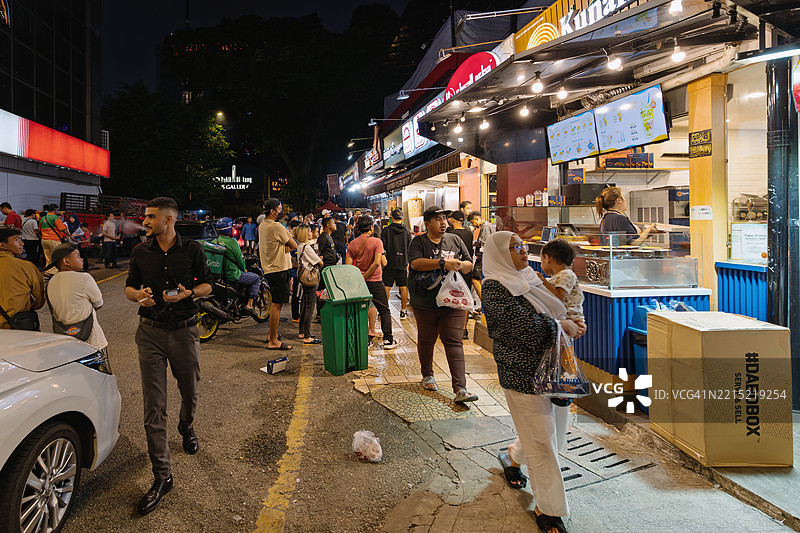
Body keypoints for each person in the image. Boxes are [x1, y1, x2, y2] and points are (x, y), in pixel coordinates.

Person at [481, 231, 585, 533]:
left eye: (523, 246)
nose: (523, 251)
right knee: (543, 442)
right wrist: (560, 326)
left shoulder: (531, 277)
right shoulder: (495, 287)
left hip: (556, 369)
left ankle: (512, 457)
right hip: (522, 373)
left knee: (556, 434)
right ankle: (548, 510)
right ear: (500, 254)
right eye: (515, 247)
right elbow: (520, 328)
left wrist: (574, 324)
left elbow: (561, 306)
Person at [124, 196, 213, 516]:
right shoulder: (139, 252)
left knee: (191, 390)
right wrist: (140, 296)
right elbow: (129, 288)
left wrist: (191, 292)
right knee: (154, 407)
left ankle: (186, 427)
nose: (145, 221)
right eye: (145, 217)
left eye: (150, 217)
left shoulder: (192, 250)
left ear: (169, 219)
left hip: (184, 331)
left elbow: (208, 285)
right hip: (149, 333)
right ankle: (162, 477)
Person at [407, 206, 477, 403]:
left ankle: (460, 389)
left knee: (454, 341)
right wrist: (442, 263)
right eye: (438, 219)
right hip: (425, 301)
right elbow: (415, 264)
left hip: (452, 301)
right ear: (428, 224)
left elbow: (469, 263)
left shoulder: (455, 239)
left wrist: (460, 265)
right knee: (427, 338)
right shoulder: (419, 241)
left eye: (445, 218)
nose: (443, 222)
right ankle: (427, 375)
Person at [45, 242, 108, 351]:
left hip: (65, 340)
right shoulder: (85, 278)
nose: (82, 259)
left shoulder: (50, 282)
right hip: (90, 340)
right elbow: (99, 303)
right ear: (66, 261)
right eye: (78, 256)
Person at [346, 216, 396, 349]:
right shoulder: (376, 242)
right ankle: (388, 340)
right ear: (371, 228)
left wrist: (360, 277)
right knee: (384, 310)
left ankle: (365, 340)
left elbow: (348, 266)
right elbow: (377, 263)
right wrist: (366, 276)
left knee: (361, 310)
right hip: (375, 281)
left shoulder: (352, 244)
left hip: (359, 283)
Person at [259, 198, 297, 350]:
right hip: (279, 269)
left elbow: (289, 245)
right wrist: (288, 245)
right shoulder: (277, 226)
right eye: (280, 208)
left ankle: (271, 335)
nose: (282, 211)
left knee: (276, 303)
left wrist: (287, 245)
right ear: (272, 211)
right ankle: (273, 340)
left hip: (270, 268)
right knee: (276, 305)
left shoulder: (262, 225)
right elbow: (293, 244)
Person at [0, 226, 44, 329]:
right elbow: (39, 301)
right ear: (2, 245)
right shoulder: (26, 266)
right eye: (17, 240)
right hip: (17, 327)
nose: (22, 244)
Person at [214, 218, 261, 312]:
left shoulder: (215, 241)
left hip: (220, 276)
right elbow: (240, 260)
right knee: (256, 278)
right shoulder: (232, 242)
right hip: (233, 275)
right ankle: (249, 304)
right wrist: (244, 269)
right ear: (228, 229)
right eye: (232, 228)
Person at [538, 239, 585, 325]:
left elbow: (560, 296)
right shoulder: (561, 275)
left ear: (548, 258)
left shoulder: (566, 274)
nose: (541, 265)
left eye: (542, 260)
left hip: (570, 321)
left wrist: (542, 280)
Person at [446, 210, 475, 339]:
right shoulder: (469, 233)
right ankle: (464, 329)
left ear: (453, 220)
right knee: (465, 297)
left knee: (452, 297)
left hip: (454, 269)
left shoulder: (449, 233)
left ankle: (452, 327)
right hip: (467, 267)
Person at [381, 208, 412, 320]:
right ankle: (403, 311)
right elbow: (410, 247)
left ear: (392, 218)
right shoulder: (407, 231)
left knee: (387, 287)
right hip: (403, 263)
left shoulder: (386, 230)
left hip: (389, 263)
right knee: (403, 287)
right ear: (402, 218)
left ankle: (384, 311)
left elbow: (382, 248)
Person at [295, 225, 323, 344]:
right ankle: (307, 336)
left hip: (303, 278)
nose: (311, 233)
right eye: (309, 232)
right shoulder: (307, 248)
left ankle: (302, 332)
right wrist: (320, 259)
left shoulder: (300, 246)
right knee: (309, 307)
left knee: (304, 306)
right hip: (310, 279)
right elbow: (319, 262)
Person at [467, 210, 495, 304]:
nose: (473, 225)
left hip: (484, 257)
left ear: (477, 219)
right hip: (486, 257)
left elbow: (484, 243)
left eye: (472, 222)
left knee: (475, 280)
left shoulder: (486, 226)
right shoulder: (486, 225)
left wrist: (474, 243)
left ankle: (485, 304)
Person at [40, 205, 70, 274]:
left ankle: (48, 271)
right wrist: (70, 236)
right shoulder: (55, 217)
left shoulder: (43, 218)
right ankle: (55, 272)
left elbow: (40, 229)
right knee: (57, 256)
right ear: (54, 210)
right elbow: (63, 229)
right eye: (57, 210)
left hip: (44, 240)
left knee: (48, 257)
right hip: (54, 239)